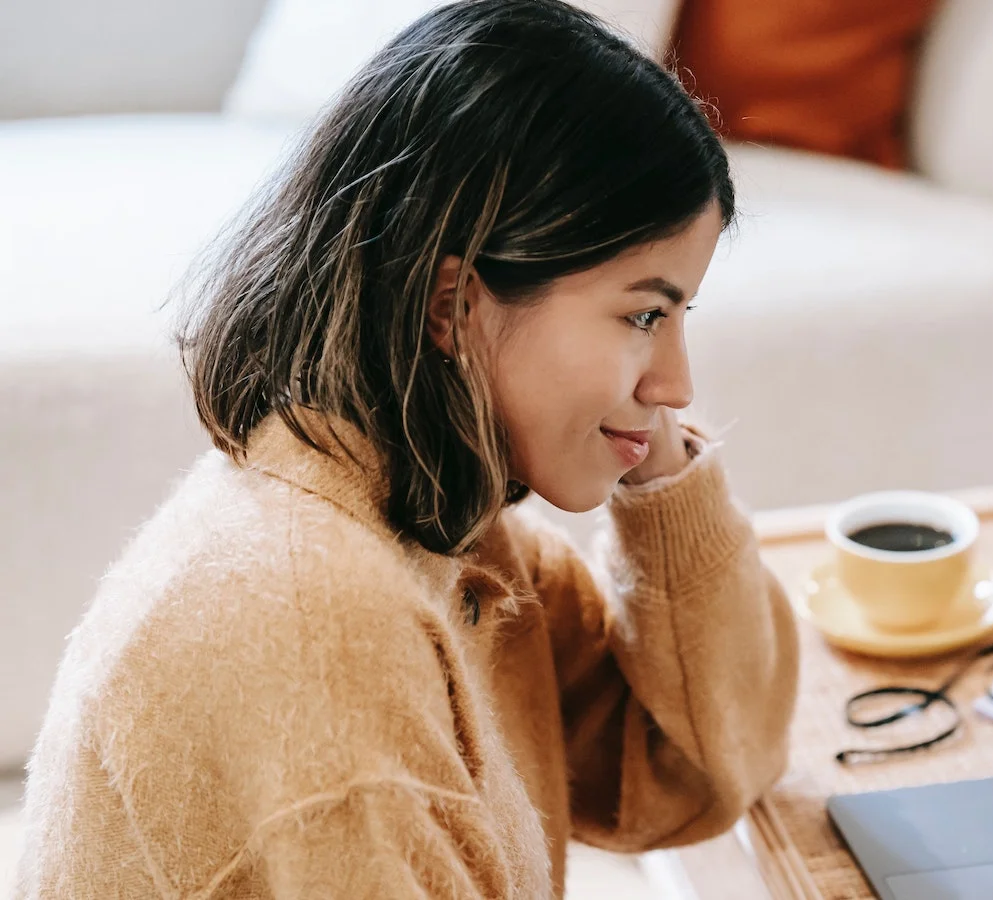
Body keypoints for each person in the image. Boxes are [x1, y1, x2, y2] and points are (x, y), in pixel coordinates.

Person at [14, 1, 799, 896]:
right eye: (644, 314)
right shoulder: (313, 622)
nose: (679, 383)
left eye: (679, 317)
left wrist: (657, 460)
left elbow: (694, 773)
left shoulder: (441, 529)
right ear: (451, 304)